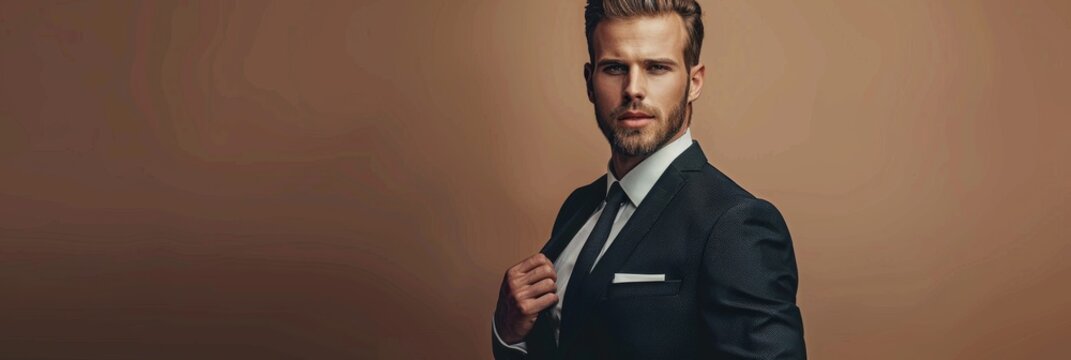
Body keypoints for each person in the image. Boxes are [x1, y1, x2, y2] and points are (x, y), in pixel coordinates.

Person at [491, 1, 806, 358]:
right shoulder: (578, 208)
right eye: (614, 68)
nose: (633, 89)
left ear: (694, 82)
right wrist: (508, 332)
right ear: (590, 82)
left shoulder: (736, 224)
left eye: (657, 67)